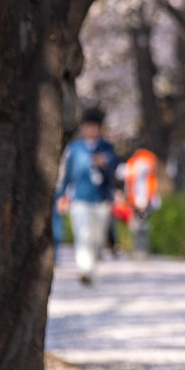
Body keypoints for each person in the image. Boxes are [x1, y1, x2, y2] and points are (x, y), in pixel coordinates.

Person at [57, 107, 117, 285]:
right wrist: (62, 196)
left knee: (97, 238)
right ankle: (85, 270)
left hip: (102, 199)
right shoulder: (74, 148)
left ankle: (91, 266)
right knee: (82, 234)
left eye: (94, 126)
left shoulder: (107, 148)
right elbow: (65, 174)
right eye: (88, 126)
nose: (91, 129)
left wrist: (105, 164)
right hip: (79, 198)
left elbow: (115, 171)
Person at [124, 143, 160, 258]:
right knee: (140, 225)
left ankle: (141, 250)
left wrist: (143, 199)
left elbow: (142, 183)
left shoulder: (141, 162)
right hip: (138, 200)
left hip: (141, 199)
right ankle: (140, 250)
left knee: (141, 225)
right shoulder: (145, 160)